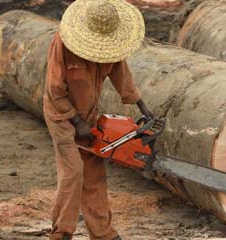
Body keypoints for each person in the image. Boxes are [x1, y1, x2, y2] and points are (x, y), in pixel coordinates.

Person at [43, 0, 151, 239]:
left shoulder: (112, 46)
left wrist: (142, 105)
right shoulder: (62, 44)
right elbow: (55, 90)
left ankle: (102, 233)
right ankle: (61, 232)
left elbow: (122, 75)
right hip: (61, 115)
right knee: (73, 173)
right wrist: (76, 123)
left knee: (94, 173)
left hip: (89, 114)